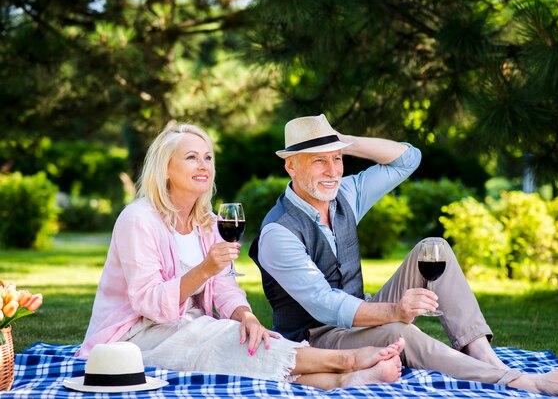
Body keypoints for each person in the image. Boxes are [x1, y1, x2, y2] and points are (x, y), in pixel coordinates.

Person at [250, 113, 558, 396]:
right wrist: (394, 310)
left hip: (358, 316)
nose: (333, 170)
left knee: (435, 248)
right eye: (319, 161)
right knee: (401, 330)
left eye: (337, 159)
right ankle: (522, 382)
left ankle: (486, 357)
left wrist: (341, 139)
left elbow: (407, 159)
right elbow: (324, 304)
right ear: (291, 167)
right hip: (317, 338)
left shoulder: (346, 193)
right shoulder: (278, 232)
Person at [77, 122, 407, 390]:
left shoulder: (209, 222)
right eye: (191, 158)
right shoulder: (138, 219)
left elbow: (225, 287)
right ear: (165, 169)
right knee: (220, 340)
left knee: (243, 340)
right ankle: (346, 361)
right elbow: (148, 303)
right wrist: (205, 269)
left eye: (207, 158)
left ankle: (345, 380)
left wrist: (246, 316)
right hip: (134, 336)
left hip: (190, 328)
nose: (203, 165)